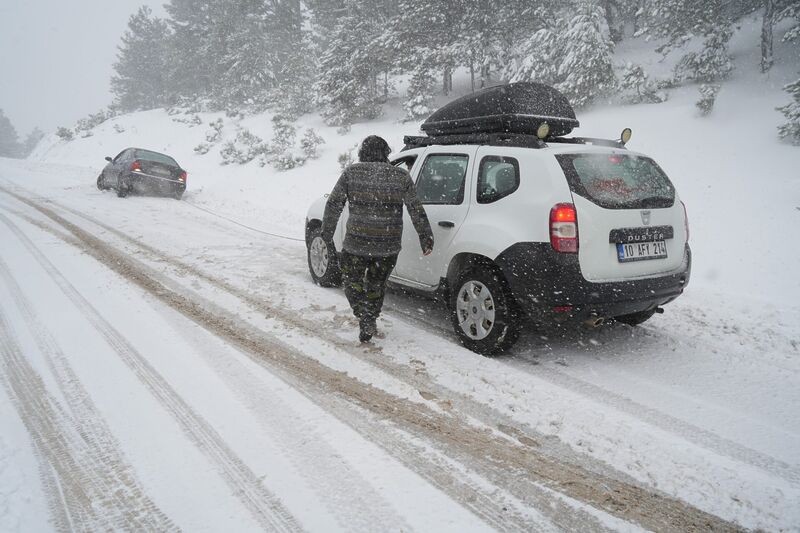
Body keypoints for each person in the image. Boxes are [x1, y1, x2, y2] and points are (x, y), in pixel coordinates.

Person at [322, 135, 433, 343]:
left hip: (356, 244)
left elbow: (334, 203)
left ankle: (362, 315)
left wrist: (327, 233)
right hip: (387, 245)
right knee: (377, 284)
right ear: (386, 152)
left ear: (362, 153)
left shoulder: (351, 173)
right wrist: (425, 236)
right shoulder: (400, 176)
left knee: (351, 281)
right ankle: (370, 317)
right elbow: (415, 208)